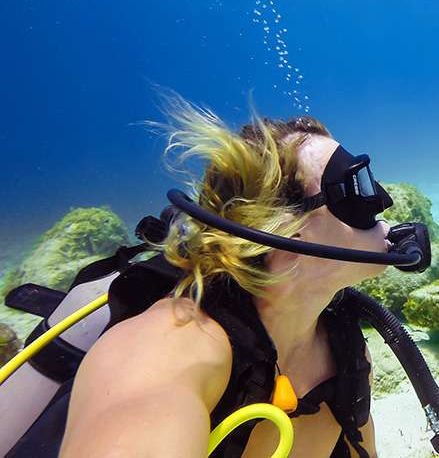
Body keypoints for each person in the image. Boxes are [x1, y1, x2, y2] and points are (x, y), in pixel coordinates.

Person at [59, 97, 390, 457]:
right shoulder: (167, 350)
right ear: (289, 236)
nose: (383, 201)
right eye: (358, 187)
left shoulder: (347, 355)